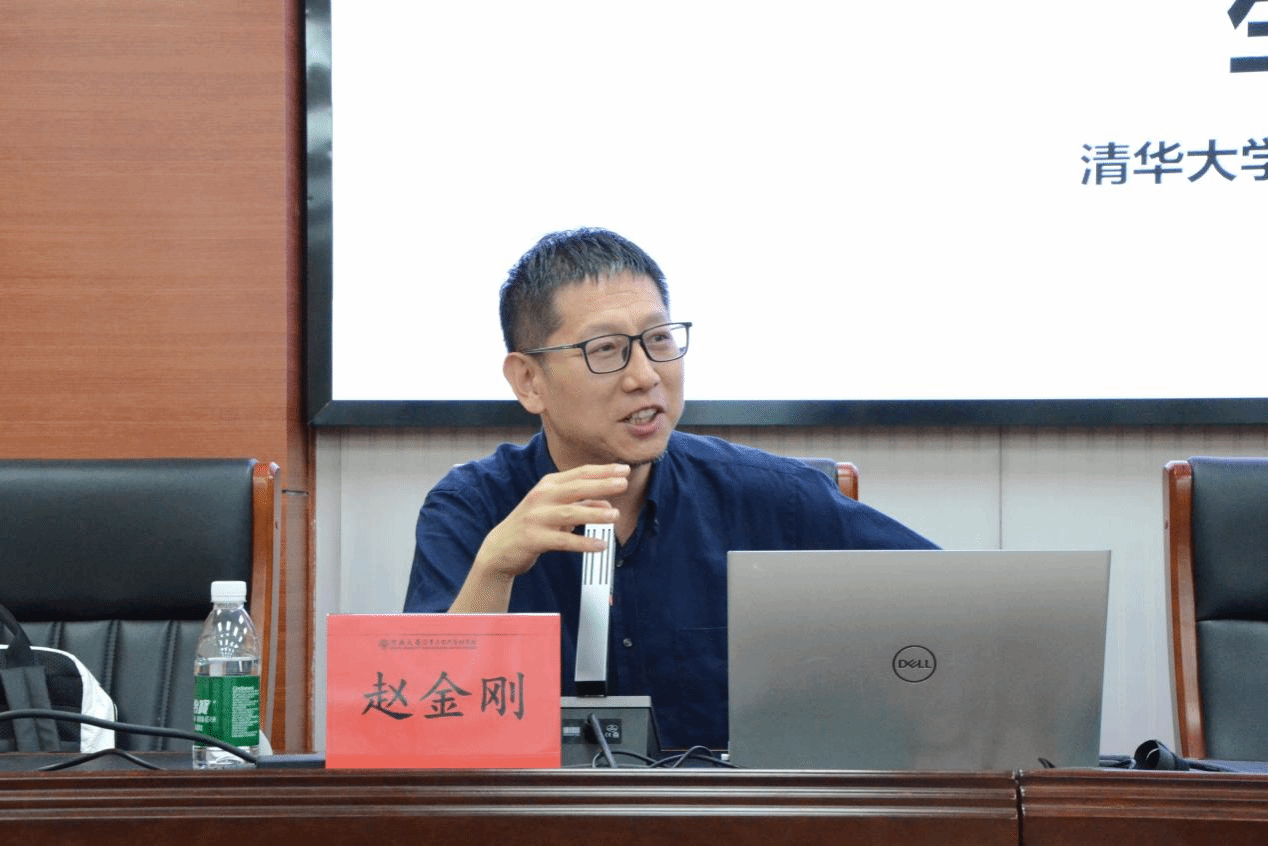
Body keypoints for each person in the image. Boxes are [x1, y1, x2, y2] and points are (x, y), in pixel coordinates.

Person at [404, 227, 936, 751]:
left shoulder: (773, 498)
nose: (645, 376)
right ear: (528, 381)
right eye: (605, 349)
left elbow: (951, 602)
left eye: (659, 340)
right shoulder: (473, 510)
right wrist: (493, 572)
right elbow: (422, 726)